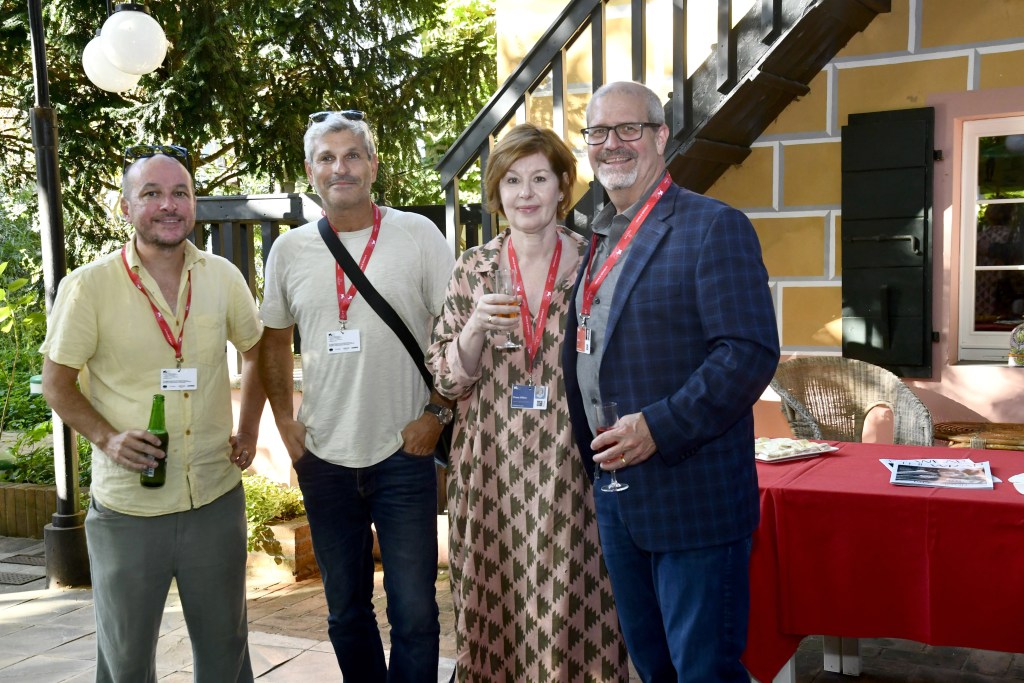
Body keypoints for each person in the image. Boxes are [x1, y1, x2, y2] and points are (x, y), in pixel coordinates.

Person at [562, 81, 780, 682]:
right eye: (598, 133)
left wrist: (658, 426)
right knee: (654, 668)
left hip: (693, 498)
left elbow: (748, 353)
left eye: (629, 129)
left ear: (661, 136)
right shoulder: (599, 236)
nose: (613, 144)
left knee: (702, 670)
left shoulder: (713, 227)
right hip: (617, 496)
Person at [40, 144, 264, 683]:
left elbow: (258, 349)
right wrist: (108, 438)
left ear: (193, 203)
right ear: (125, 207)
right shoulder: (89, 287)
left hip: (213, 496)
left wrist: (249, 427)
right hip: (128, 511)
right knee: (125, 658)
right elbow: (57, 383)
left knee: (225, 652)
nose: (169, 205)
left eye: (180, 193)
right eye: (152, 194)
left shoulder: (223, 277)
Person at [427, 123, 628, 681]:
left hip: (573, 465)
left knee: (575, 604)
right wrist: (471, 330)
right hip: (490, 465)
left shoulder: (596, 265)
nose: (526, 193)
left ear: (564, 186)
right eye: (512, 181)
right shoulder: (474, 268)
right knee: (495, 608)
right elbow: (445, 378)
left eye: (540, 178)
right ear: (497, 193)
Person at [259, 110, 455, 682]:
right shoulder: (289, 251)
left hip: (406, 451)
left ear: (373, 165)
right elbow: (272, 343)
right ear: (309, 170)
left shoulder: (417, 234)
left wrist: (438, 414)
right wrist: (285, 424)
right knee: (346, 612)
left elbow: (455, 331)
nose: (339, 168)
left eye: (352, 156)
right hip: (324, 455)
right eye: (327, 157)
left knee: (416, 612)